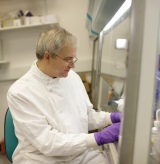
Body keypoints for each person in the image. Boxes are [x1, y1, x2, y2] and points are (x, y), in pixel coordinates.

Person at [7, 24, 121, 164]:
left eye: (74, 59)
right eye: (68, 59)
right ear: (47, 57)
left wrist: (111, 117)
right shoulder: (20, 92)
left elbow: (85, 117)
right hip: (41, 159)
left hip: (79, 155)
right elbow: (47, 142)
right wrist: (98, 138)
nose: (73, 65)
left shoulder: (72, 77)